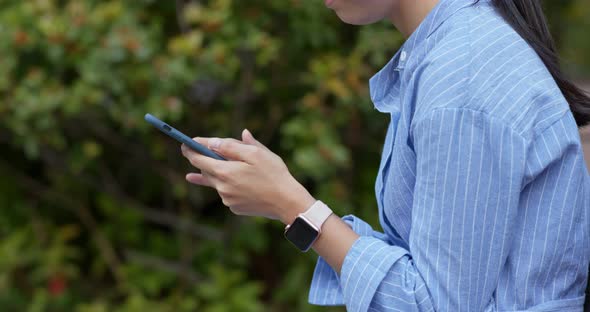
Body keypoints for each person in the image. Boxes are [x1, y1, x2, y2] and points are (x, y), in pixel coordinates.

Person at [180, 0, 590, 310]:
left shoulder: (461, 74)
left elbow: (436, 304)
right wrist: (281, 198)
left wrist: (296, 207)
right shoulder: (453, 50)